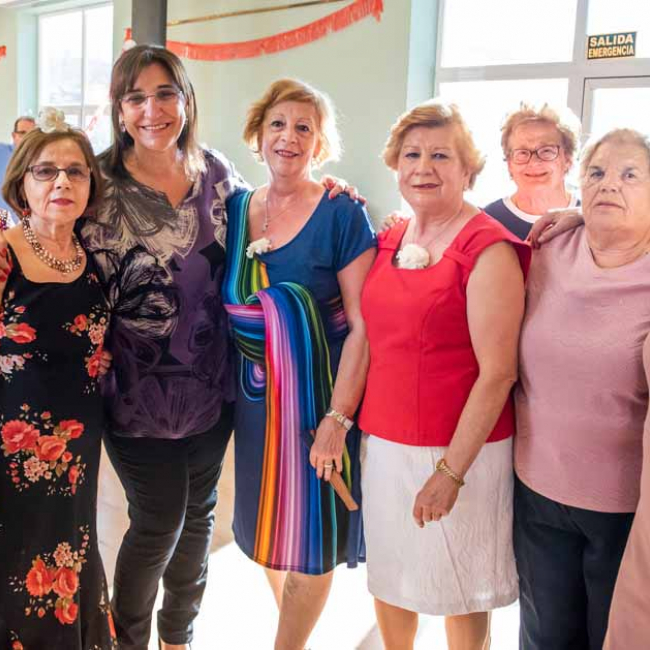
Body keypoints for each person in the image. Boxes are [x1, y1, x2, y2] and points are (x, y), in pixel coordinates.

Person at [75, 46, 355, 650]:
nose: (152, 110)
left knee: (199, 518)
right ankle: (126, 641)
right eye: (136, 98)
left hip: (212, 387)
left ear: (186, 100)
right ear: (120, 109)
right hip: (133, 392)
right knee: (158, 521)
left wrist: (326, 188)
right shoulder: (95, 183)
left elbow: (275, 213)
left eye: (165, 94)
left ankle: (178, 637)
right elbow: (50, 244)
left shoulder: (218, 173)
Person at [358, 99, 529, 650]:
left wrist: (450, 472)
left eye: (440, 155)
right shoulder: (390, 238)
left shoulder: (489, 249)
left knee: (462, 586)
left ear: (468, 169)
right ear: (395, 164)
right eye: (411, 155)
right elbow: (370, 337)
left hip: (462, 451)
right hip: (386, 444)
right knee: (391, 576)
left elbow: (498, 374)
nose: (423, 168)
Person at [222, 78, 376, 650]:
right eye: (278, 124)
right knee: (268, 530)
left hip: (319, 401)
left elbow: (363, 327)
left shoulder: (341, 213)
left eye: (303, 127)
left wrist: (337, 420)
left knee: (312, 540)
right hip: (257, 403)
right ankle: (292, 630)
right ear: (258, 134)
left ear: (320, 143)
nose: (289, 136)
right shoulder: (237, 208)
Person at [513, 128, 650, 650]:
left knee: (610, 637)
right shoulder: (549, 247)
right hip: (537, 490)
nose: (609, 183)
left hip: (624, 509)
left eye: (630, 174)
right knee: (543, 636)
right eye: (597, 172)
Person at [0, 112, 115, 649]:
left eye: (75, 171)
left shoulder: (92, 257)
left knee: (68, 546)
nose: (62, 181)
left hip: (76, 451)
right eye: (45, 171)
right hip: (12, 451)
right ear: (22, 183)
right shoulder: (5, 252)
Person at [483, 102, 581, 239]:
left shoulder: (589, 218)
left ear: (568, 159)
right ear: (509, 163)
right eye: (522, 153)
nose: (534, 162)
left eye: (546, 150)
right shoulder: (487, 221)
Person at [0, 115, 36, 221]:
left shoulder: (40, 158)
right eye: (22, 133)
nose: (27, 138)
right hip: (3, 218)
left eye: (31, 134)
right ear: (14, 135)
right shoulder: (2, 151)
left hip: (29, 219)